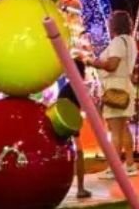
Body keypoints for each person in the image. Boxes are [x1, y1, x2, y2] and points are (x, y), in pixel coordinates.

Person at [86, 10, 138, 179]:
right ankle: (130, 164)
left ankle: (114, 168)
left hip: (115, 87)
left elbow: (112, 65)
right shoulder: (130, 41)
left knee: (115, 130)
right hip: (126, 86)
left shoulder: (117, 41)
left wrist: (94, 62)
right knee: (124, 128)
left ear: (113, 25)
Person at [57, 58, 92, 198]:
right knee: (79, 153)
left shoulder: (68, 87)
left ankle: (77, 187)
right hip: (70, 121)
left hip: (62, 120)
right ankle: (80, 188)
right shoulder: (77, 88)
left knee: (69, 153)